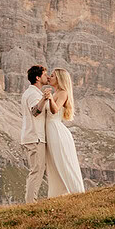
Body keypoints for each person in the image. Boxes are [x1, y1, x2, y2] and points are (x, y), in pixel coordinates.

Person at [44, 67, 85, 196]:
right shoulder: (55, 93)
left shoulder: (62, 93)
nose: (49, 77)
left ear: (60, 79)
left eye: (53, 76)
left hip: (56, 131)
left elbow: (55, 110)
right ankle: (58, 194)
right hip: (50, 131)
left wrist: (50, 98)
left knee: (63, 161)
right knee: (54, 164)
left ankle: (76, 191)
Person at [20, 65, 51, 203]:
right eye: (45, 75)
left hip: (33, 137)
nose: (47, 77)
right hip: (35, 137)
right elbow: (35, 111)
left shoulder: (32, 92)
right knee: (36, 171)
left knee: (37, 170)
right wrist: (44, 99)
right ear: (38, 78)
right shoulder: (33, 94)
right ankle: (31, 203)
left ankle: (31, 201)